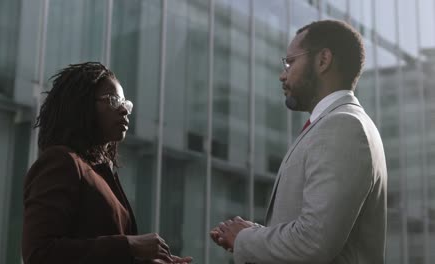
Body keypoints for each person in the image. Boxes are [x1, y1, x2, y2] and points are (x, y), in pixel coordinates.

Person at [210, 20, 387, 264]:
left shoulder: (342, 126)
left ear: (323, 60)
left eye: (290, 62)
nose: (283, 75)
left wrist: (245, 238)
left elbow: (313, 242)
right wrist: (260, 235)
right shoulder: (335, 124)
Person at [22, 62, 193, 264]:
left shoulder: (100, 171)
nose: (124, 110)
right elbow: (39, 253)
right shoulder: (62, 161)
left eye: (125, 103)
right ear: (81, 104)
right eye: (113, 100)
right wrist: (129, 245)